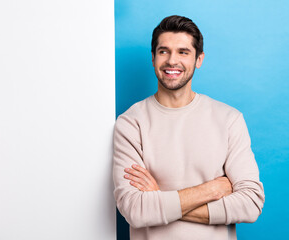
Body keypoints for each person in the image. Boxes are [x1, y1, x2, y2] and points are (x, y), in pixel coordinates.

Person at [112, 15, 265, 240]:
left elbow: (251, 203)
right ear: (153, 58)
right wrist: (210, 190)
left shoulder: (229, 119)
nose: (172, 61)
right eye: (164, 51)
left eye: (183, 52)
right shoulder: (130, 123)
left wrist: (159, 199)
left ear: (198, 59)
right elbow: (135, 210)